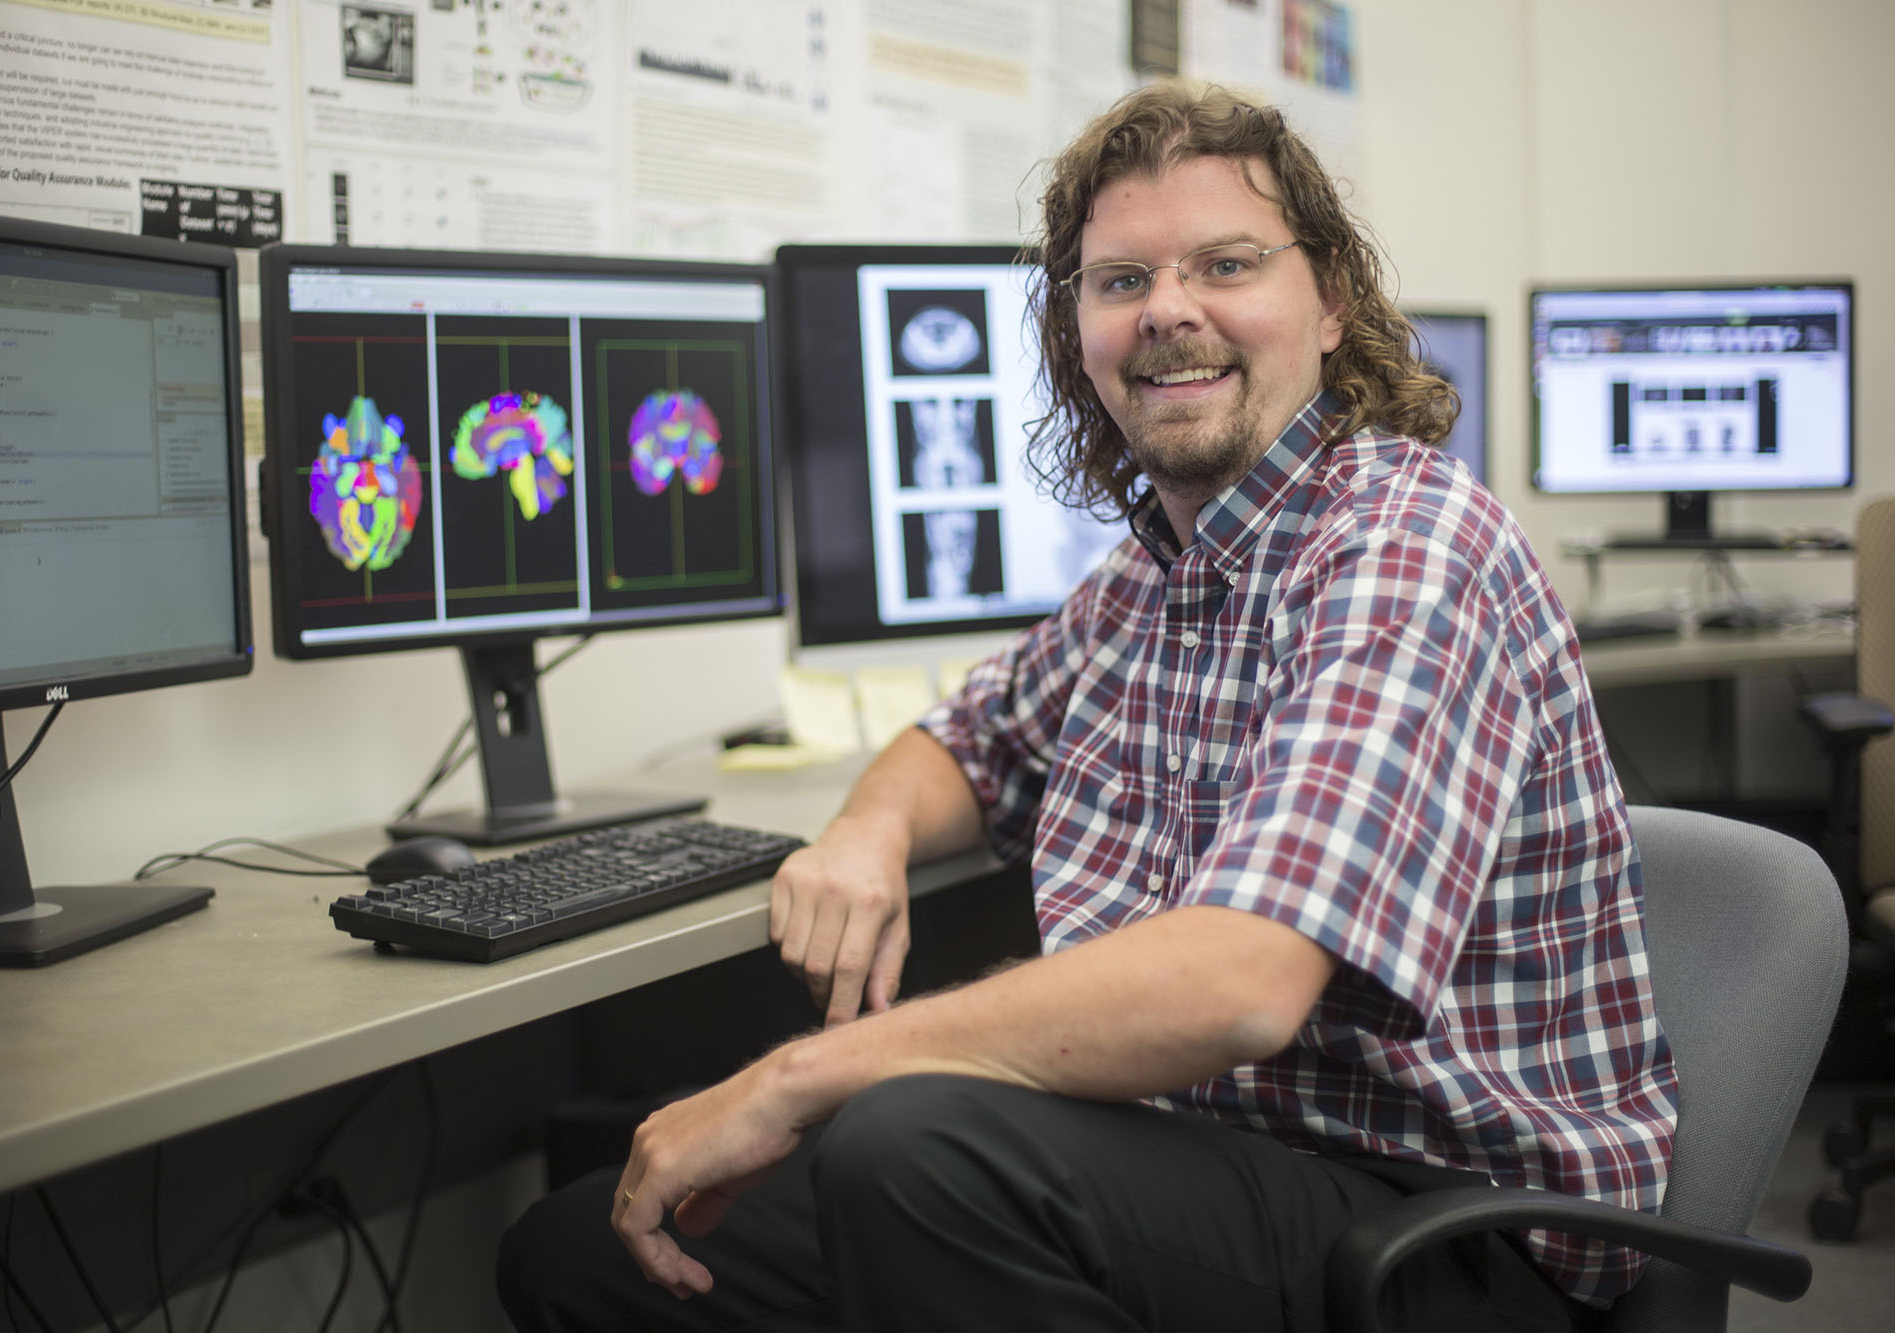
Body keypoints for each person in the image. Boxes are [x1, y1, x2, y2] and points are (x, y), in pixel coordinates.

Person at [497, 81, 1677, 1332]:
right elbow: (967, 742)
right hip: (1203, 1163)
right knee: (578, 1253)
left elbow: (1240, 983)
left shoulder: (1405, 546)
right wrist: (866, 832)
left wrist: (796, 1077)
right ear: (1077, 332)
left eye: (1224, 264)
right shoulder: (1153, 577)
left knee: (912, 1147)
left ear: (1329, 301)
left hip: (1443, 1226)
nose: (1166, 308)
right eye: (1120, 281)